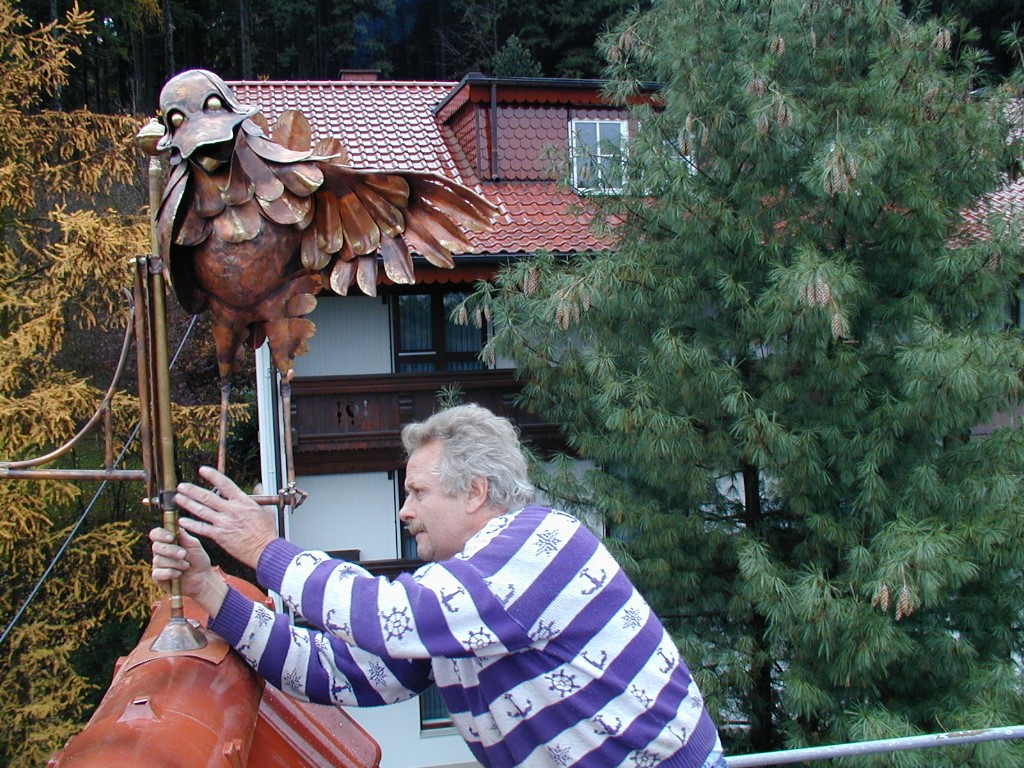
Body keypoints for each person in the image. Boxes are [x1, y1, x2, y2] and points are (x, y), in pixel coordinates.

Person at [151, 403, 726, 767]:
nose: (404, 511)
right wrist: (210, 591)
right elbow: (338, 671)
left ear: (475, 492)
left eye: (417, 492)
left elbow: (387, 616)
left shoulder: (543, 543)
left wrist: (262, 548)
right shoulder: (458, 599)